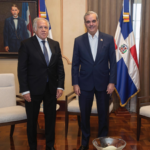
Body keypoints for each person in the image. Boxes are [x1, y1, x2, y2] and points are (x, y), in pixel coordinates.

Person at [18, 17, 65, 150]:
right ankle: (33, 147)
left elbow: (60, 67)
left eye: (46, 27)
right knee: (32, 121)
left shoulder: (54, 44)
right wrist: (25, 90)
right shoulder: (26, 44)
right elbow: (22, 70)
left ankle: (50, 146)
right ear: (34, 29)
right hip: (32, 91)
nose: (44, 30)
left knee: (51, 120)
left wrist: (60, 86)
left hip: (51, 89)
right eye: (41, 27)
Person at [72, 11, 117, 150]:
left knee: (103, 115)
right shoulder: (78, 40)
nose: (91, 24)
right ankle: (85, 142)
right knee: (84, 115)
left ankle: (103, 142)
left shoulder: (108, 39)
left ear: (98, 21)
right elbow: (75, 64)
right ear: (85, 23)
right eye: (88, 21)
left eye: (93, 21)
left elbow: (113, 63)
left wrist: (112, 82)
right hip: (84, 84)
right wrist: (75, 83)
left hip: (103, 84)